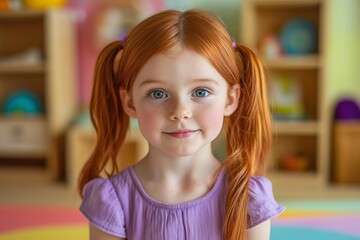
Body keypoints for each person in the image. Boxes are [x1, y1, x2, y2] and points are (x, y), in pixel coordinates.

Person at [79, 9, 285, 240]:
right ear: (130, 103)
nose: (180, 112)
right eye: (157, 93)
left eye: (200, 91)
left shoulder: (248, 198)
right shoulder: (112, 200)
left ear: (230, 99)